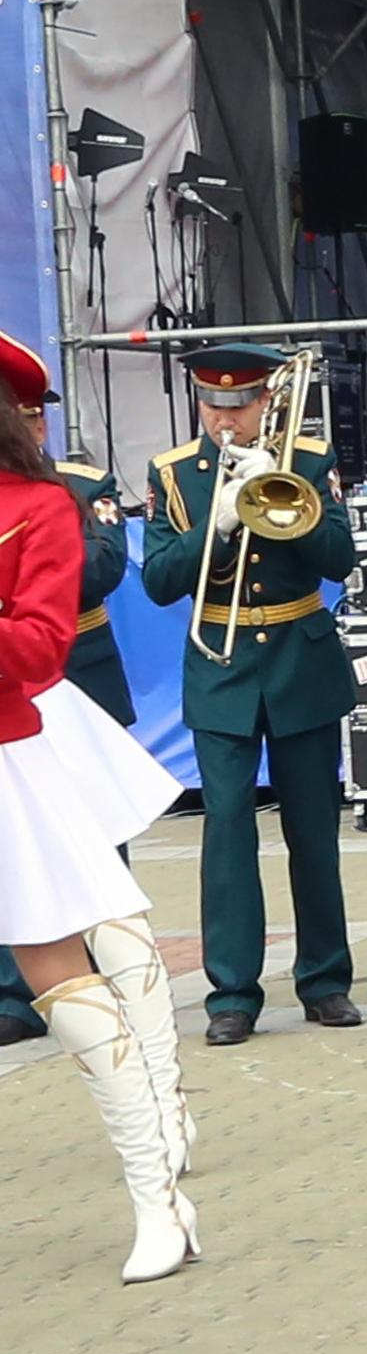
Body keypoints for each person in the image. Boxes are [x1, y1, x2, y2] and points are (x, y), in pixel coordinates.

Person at [0, 326, 196, 1279]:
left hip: (15, 748)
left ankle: (157, 1189)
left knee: (71, 957)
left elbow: (39, 646)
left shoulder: (36, 507)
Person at [138, 341, 361, 1046]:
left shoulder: (310, 461)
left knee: (312, 829)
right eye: (213, 407)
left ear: (266, 404)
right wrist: (224, 518)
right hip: (222, 662)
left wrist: (282, 496)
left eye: (240, 406)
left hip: (300, 656)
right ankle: (231, 991)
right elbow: (160, 580)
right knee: (227, 831)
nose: (225, 420)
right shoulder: (174, 474)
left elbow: (340, 559)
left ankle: (325, 980)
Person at [0, 435, 134, 1044]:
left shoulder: (73, 487)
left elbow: (103, 571)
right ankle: (13, 997)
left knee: (83, 863)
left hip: (72, 676)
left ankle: (113, 983)